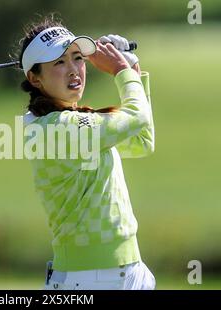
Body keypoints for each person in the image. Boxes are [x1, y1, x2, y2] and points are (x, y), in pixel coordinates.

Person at [16, 14, 155, 290]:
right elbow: (136, 118)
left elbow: (141, 140)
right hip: (93, 278)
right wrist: (121, 72)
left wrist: (132, 68)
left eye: (78, 58)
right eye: (59, 62)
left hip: (122, 271)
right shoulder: (58, 128)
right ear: (35, 78)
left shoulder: (73, 121)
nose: (73, 70)